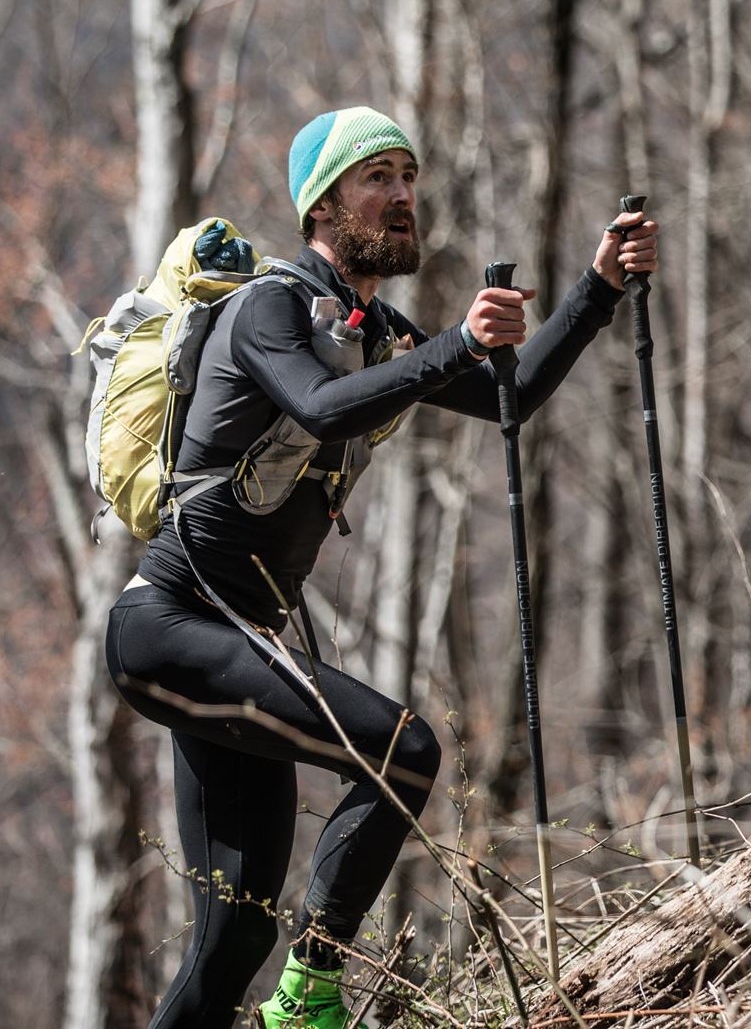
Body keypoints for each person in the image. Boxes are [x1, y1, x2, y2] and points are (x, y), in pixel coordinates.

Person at [103, 105, 660, 1029]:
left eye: (408, 175)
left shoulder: (370, 325)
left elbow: (513, 397)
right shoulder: (268, 308)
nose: (403, 195)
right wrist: (458, 343)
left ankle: (288, 992)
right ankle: (310, 996)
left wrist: (597, 289)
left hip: (228, 643)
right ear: (321, 206)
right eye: (377, 177)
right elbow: (322, 408)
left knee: (232, 938)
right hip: (167, 629)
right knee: (403, 750)